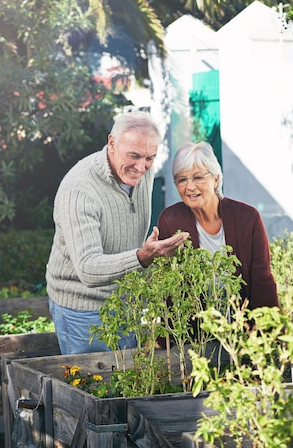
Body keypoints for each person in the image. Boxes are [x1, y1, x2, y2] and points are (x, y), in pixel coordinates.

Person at [46, 111, 189, 355]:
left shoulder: (142, 172)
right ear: (112, 143)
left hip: (126, 303)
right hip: (85, 309)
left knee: (126, 386)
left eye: (150, 158)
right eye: (133, 156)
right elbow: (88, 268)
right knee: (93, 389)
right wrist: (142, 257)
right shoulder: (79, 189)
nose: (141, 167)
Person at [157, 141, 279, 309]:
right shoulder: (170, 220)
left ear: (215, 179)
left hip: (241, 325)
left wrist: (267, 331)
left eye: (198, 177)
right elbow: (169, 290)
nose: (190, 187)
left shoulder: (247, 218)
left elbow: (262, 281)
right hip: (196, 331)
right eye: (182, 180)